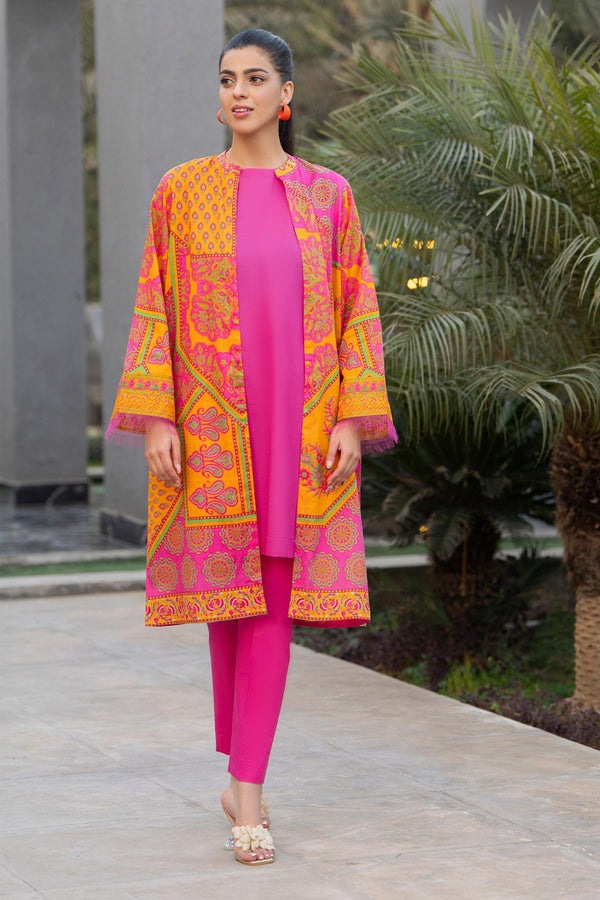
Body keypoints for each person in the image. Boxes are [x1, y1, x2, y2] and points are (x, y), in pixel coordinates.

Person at [105, 27, 398, 866]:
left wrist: (351, 418)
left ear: (286, 95)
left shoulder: (329, 196)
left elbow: (357, 308)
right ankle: (240, 770)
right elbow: (155, 304)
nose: (238, 91)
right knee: (228, 605)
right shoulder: (181, 191)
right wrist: (159, 417)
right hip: (212, 425)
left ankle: (249, 789)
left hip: (301, 427)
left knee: (270, 598)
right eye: (228, 78)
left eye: (256, 78)